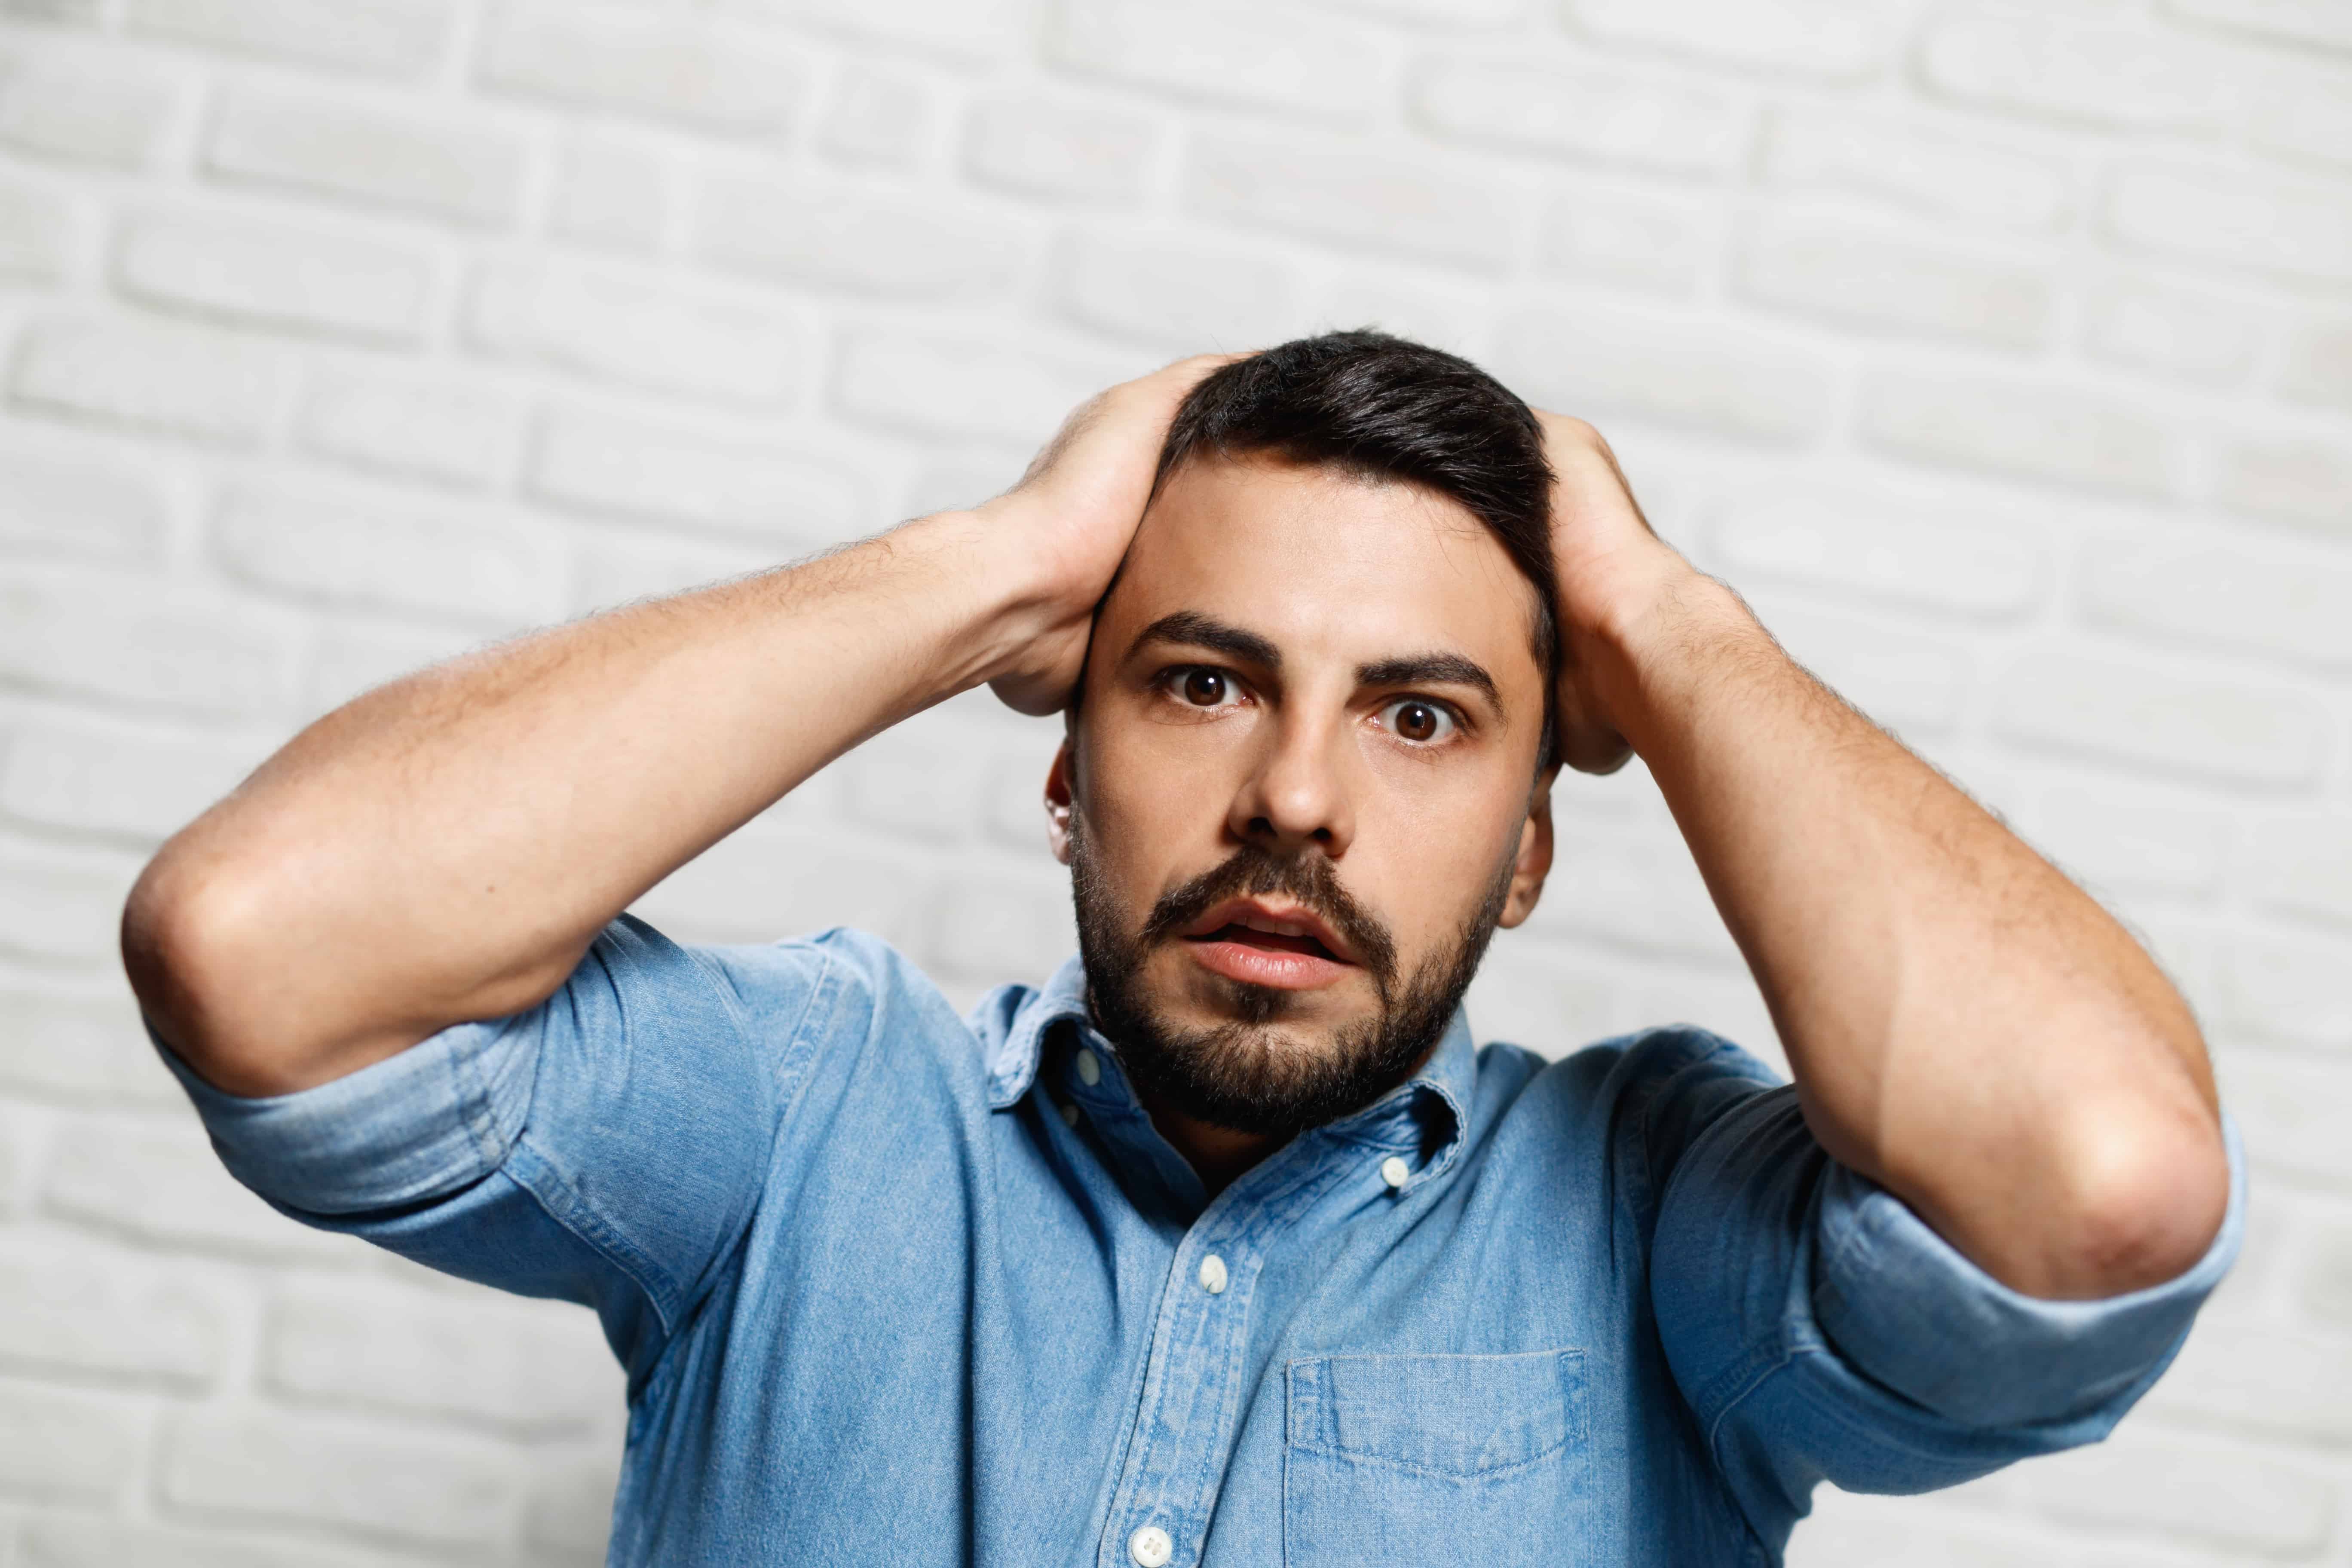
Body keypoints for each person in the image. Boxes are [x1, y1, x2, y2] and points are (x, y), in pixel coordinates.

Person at [124, 333, 2240, 1567]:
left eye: (1425, 719)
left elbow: (2097, 1183)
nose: (1299, 798)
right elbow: (261, 945)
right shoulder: (804, 1125)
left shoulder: (1655, 1212)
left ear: (1526, 855)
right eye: (1205, 683)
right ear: (1065, 764)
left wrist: (1673, 636)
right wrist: (990, 569)